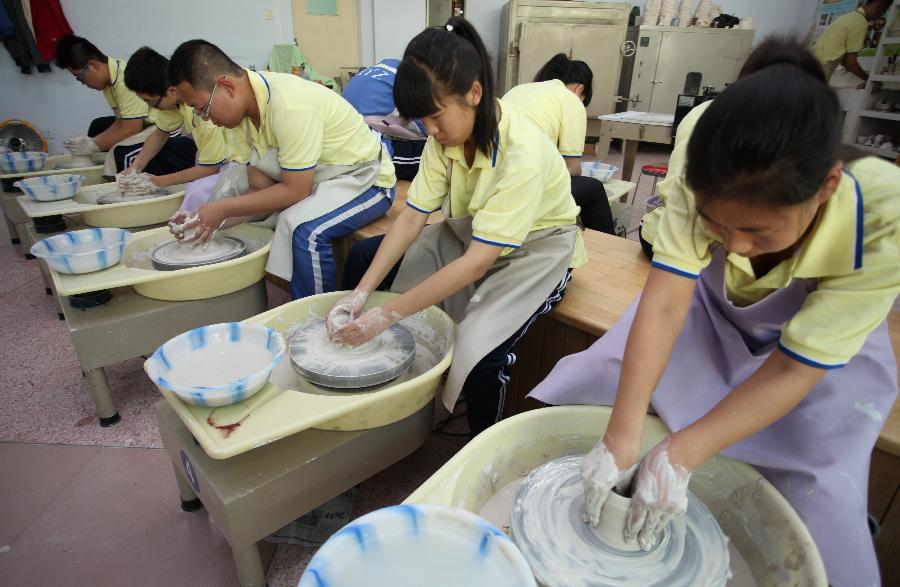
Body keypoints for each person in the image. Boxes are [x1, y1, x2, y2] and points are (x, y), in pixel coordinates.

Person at [529, 37, 899, 587]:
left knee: (815, 495)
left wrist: (682, 452)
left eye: (757, 230)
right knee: (590, 386)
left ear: (826, 187)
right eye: (718, 226)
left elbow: (798, 366)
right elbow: (664, 303)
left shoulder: (882, 210)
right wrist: (622, 435)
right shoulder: (703, 162)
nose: (738, 246)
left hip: (819, 350)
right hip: (707, 305)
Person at [328, 17, 587, 437]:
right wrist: (360, 298)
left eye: (434, 116)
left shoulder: (522, 151)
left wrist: (384, 316)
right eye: (420, 120)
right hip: (475, 233)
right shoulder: (442, 139)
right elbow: (412, 217)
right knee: (363, 258)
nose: (429, 131)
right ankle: (380, 398)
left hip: (538, 249)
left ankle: (484, 447)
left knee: (481, 350)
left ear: (475, 93)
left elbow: (475, 266)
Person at [167, 40, 396, 299]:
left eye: (203, 109)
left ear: (227, 87)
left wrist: (221, 210)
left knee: (302, 230)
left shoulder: (289, 104)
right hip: (318, 180)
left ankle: (314, 318)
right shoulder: (241, 115)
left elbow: (296, 191)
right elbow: (259, 187)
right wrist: (207, 220)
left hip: (365, 180)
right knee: (230, 184)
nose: (205, 118)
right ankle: (276, 295)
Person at [122, 46, 249, 209]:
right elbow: (160, 133)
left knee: (196, 195)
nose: (153, 109)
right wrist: (135, 168)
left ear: (172, 91)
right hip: (214, 157)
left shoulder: (204, 111)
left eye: (152, 102)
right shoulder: (176, 100)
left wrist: (158, 181)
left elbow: (210, 169)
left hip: (238, 161)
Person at [503, 53, 614, 234]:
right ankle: (608, 252)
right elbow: (572, 168)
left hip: (492, 181)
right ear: (580, 89)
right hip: (523, 189)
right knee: (594, 189)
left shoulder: (518, 89)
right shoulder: (569, 100)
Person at [54, 35, 195, 176]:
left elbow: (131, 129)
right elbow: (129, 124)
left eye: (80, 77)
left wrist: (93, 146)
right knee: (98, 126)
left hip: (170, 130)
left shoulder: (197, 106)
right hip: (165, 127)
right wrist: (134, 167)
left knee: (122, 153)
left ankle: (117, 177)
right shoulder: (110, 84)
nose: (83, 83)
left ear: (94, 65)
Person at [340, 58, 427, 181]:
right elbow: (429, 126)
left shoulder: (384, 66)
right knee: (432, 156)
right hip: (366, 154)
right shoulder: (411, 81)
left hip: (342, 139)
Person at [812, 0, 894, 85]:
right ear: (878, 6)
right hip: (822, 68)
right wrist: (870, 80)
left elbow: (846, 62)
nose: (880, 16)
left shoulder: (850, 16)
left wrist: (866, 80)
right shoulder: (860, 22)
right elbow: (851, 64)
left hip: (813, 64)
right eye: (883, 11)